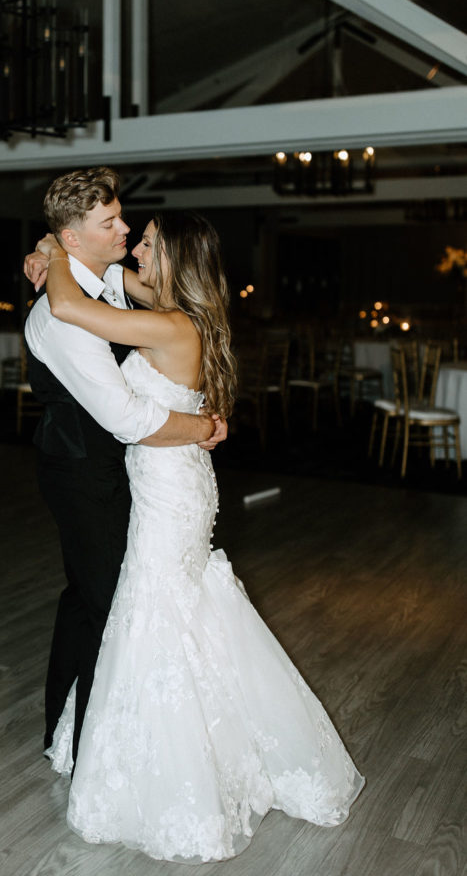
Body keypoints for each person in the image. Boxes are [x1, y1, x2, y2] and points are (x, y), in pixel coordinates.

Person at [33, 210, 365, 864]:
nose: (134, 250)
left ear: (173, 260)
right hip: (175, 483)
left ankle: (174, 771)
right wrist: (64, 253)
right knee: (178, 611)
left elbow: (71, 305)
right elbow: (105, 281)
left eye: (148, 245)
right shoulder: (173, 309)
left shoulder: (169, 324)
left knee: (156, 613)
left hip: (169, 492)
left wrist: (53, 243)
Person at [23, 167, 227, 770]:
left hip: (133, 472)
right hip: (87, 469)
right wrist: (201, 427)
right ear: (73, 238)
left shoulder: (109, 280)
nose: (126, 229)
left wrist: (46, 250)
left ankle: (83, 726)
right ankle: (93, 749)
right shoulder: (62, 313)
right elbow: (128, 417)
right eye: (110, 222)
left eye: (124, 218)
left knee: (93, 599)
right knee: (108, 603)